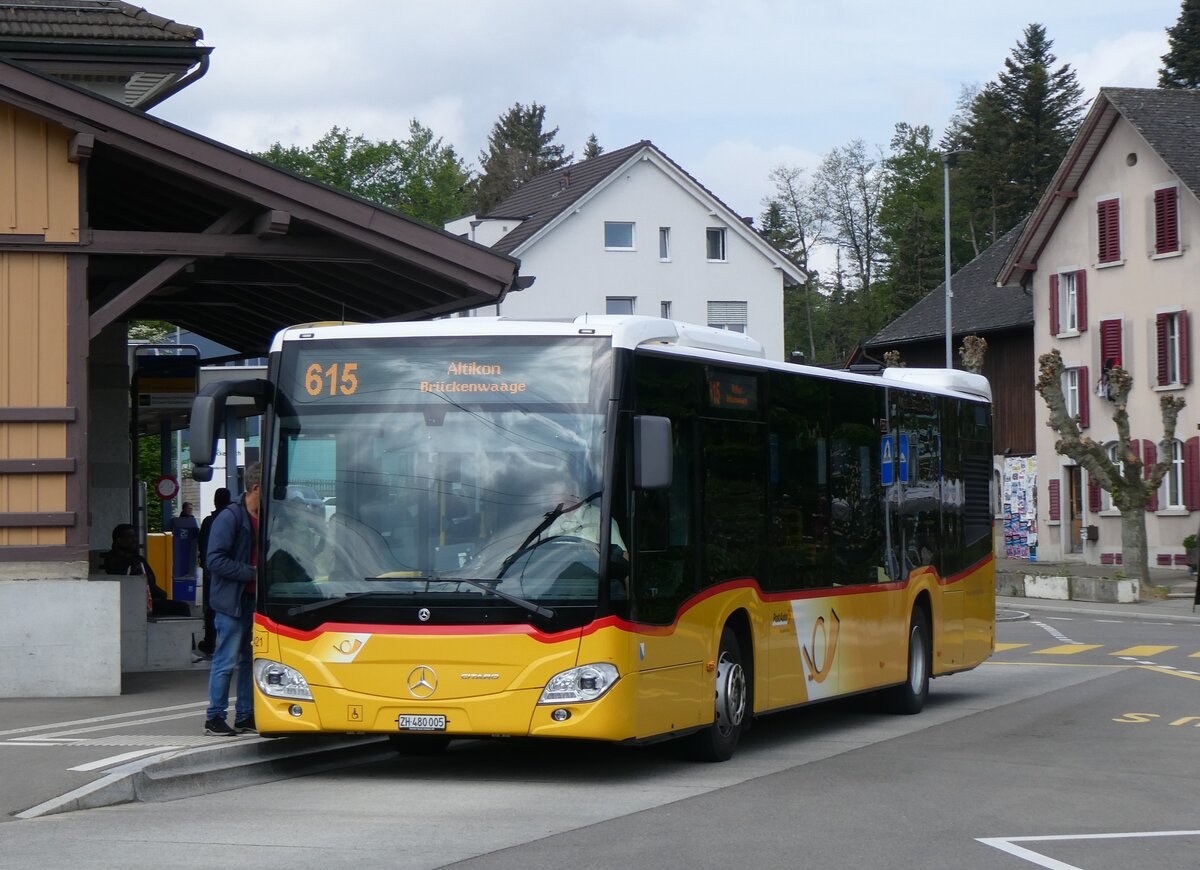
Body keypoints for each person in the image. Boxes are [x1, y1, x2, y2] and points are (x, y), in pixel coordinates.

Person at [203, 465, 261, 737]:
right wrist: (251, 573)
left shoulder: (262, 516)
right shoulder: (231, 517)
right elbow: (214, 560)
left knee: (250, 660)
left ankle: (245, 715)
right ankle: (214, 717)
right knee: (225, 661)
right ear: (256, 488)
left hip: (254, 602)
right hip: (232, 603)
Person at [102, 523, 191, 617]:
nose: (134, 540)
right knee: (183, 608)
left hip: (140, 599)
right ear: (119, 540)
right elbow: (140, 583)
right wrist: (159, 594)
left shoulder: (129, 556)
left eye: (134, 536)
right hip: (138, 601)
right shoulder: (125, 559)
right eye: (129, 536)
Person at [196, 488, 232, 657]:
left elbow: (202, 546)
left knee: (211, 608)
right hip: (230, 571)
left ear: (216, 501)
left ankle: (210, 642)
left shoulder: (209, 522)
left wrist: (205, 566)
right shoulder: (234, 520)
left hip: (212, 571)